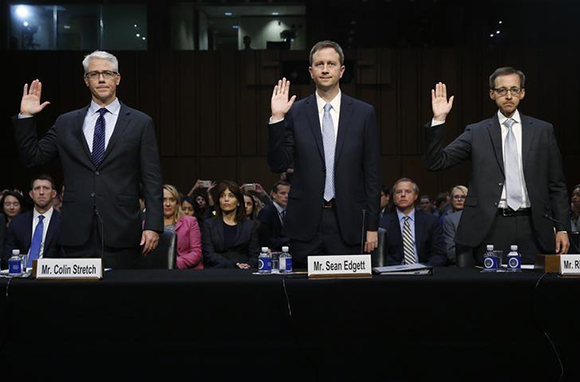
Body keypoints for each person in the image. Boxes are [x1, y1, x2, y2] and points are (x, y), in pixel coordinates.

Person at [13, 50, 163, 268]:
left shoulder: (140, 122)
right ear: (86, 81)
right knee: (77, 300)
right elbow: (32, 157)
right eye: (94, 74)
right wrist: (26, 116)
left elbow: (152, 178)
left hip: (122, 231)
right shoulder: (66, 122)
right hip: (76, 232)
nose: (101, 79)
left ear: (117, 78)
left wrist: (153, 225)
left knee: (122, 299)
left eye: (107, 73)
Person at [425, 67, 570, 265]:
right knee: (490, 293)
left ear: (522, 93)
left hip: (534, 225)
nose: (508, 95)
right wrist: (439, 119)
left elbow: (557, 185)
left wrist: (562, 228)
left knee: (534, 292)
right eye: (502, 90)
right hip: (489, 226)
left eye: (514, 89)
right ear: (492, 94)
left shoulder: (543, 130)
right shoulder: (476, 132)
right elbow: (436, 162)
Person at [268, 40, 381, 267]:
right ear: (311, 72)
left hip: (349, 222)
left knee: (347, 297)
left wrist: (371, 226)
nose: (325, 69)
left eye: (331, 63)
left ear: (342, 70)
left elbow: (372, 174)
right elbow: (278, 164)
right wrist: (277, 118)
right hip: (305, 222)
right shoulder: (295, 112)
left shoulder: (363, 113)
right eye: (319, 64)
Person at [379, 178, 446, 266]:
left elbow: (439, 253)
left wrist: (425, 268)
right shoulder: (382, 223)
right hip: (394, 274)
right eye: (398, 192)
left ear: (415, 196)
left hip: (425, 273)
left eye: (407, 191)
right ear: (394, 197)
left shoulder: (431, 221)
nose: (403, 195)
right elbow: (380, 255)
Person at [2, 175, 62, 269]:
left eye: (46, 188)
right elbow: (7, 253)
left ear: (54, 193)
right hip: (21, 278)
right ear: (31, 194)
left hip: (51, 278)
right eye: (37, 188)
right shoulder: (18, 221)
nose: (41, 192)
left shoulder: (63, 222)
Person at [202, 180, 259, 269]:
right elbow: (209, 254)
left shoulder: (250, 226)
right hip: (217, 270)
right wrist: (234, 265)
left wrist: (248, 266)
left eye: (231, 196)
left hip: (244, 272)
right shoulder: (209, 224)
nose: (226, 199)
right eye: (222, 196)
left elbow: (254, 255)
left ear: (238, 202)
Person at [163, 185, 203, 269]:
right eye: (163, 200)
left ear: (177, 203)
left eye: (172, 200)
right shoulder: (147, 224)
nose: (167, 204)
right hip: (156, 271)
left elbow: (196, 253)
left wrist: (173, 263)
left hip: (184, 270)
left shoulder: (190, 221)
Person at [442, 185, 472, 266]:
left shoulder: (475, 217)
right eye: (456, 197)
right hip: (456, 264)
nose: (459, 200)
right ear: (451, 200)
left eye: (463, 197)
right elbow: (450, 252)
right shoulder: (447, 218)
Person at [257, 181, 290, 250]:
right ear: (274, 195)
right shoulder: (265, 212)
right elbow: (264, 240)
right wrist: (290, 240)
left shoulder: (292, 212)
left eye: (289, 193)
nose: (287, 196)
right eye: (282, 193)